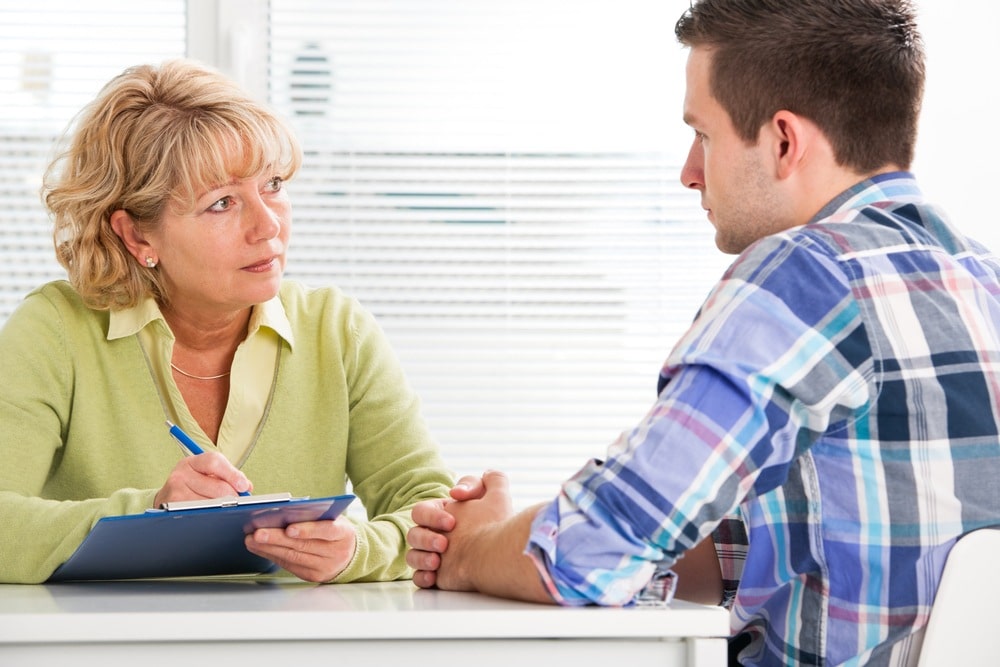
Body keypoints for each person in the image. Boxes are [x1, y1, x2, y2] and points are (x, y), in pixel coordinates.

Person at [405, 1, 1000, 665]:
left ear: (783, 141)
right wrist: (521, 532)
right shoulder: (980, 277)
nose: (690, 170)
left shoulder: (803, 278)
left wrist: (473, 550)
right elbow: (839, 541)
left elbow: (583, 556)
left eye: (704, 134)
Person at [0, 58, 454, 585]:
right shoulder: (56, 330)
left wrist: (358, 550)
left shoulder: (338, 331)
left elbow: (432, 513)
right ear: (137, 236)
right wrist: (150, 513)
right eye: (222, 203)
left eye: (275, 184)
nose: (268, 226)